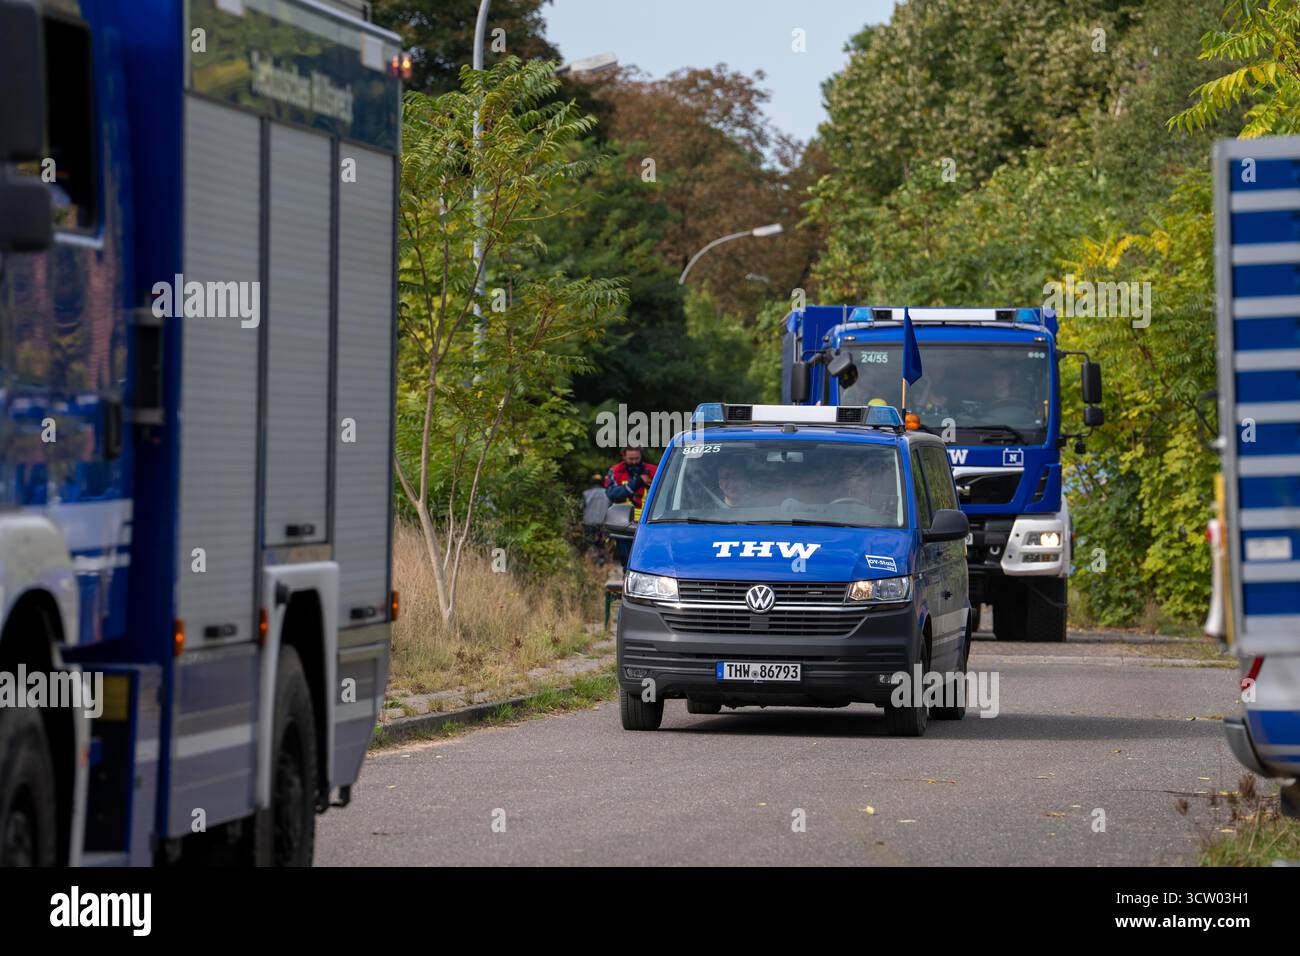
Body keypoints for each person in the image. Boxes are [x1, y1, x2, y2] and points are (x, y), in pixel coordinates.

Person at [604, 446, 656, 565]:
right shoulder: (615, 471)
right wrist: (636, 483)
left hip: (648, 524)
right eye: (630, 459)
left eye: (637, 458)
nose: (634, 462)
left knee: (647, 562)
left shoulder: (653, 471)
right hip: (624, 525)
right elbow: (613, 495)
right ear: (623, 456)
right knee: (627, 563)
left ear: (641, 456)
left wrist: (649, 484)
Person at [581, 473, 610, 567]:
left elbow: (581, 507)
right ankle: (601, 562)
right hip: (603, 522)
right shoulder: (608, 493)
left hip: (589, 522)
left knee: (591, 542)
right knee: (602, 543)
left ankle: (592, 563)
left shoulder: (586, 493)